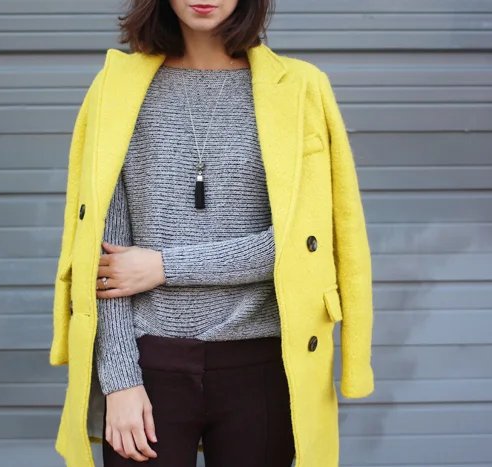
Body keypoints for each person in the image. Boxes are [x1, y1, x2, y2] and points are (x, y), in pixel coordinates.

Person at [49, 1, 375, 466]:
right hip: (148, 364)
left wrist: (164, 267)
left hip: (262, 365)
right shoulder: (117, 89)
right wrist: (120, 381)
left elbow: (304, 243)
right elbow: (106, 261)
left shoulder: (299, 89)